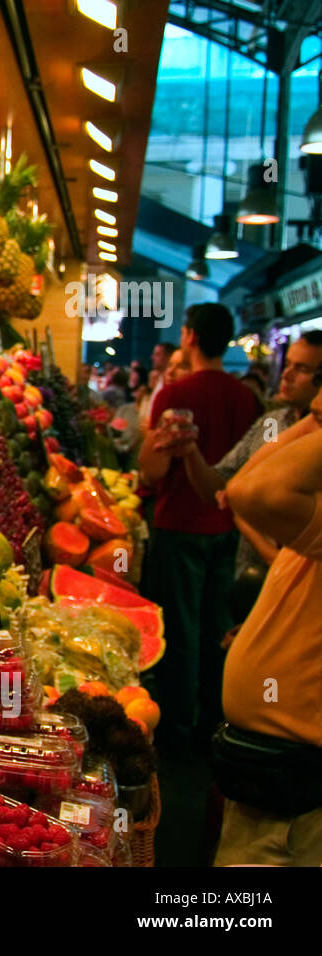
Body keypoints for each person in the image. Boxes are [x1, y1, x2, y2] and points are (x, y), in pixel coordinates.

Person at [137, 304, 261, 752]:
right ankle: (215, 722)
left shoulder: (176, 394)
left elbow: (150, 472)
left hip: (179, 523)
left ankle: (174, 732)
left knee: (180, 631)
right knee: (218, 628)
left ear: (188, 337)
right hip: (231, 527)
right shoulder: (247, 397)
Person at [212, 387, 322, 865]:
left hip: (303, 802)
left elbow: (251, 490)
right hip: (272, 785)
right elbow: (244, 483)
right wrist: (311, 418)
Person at [173, 331, 322, 590]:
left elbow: (241, 494)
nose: (287, 375)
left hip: (302, 586)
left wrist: (239, 510)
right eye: (288, 365)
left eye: (303, 369)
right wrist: (189, 451)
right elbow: (221, 487)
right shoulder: (272, 424)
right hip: (250, 578)